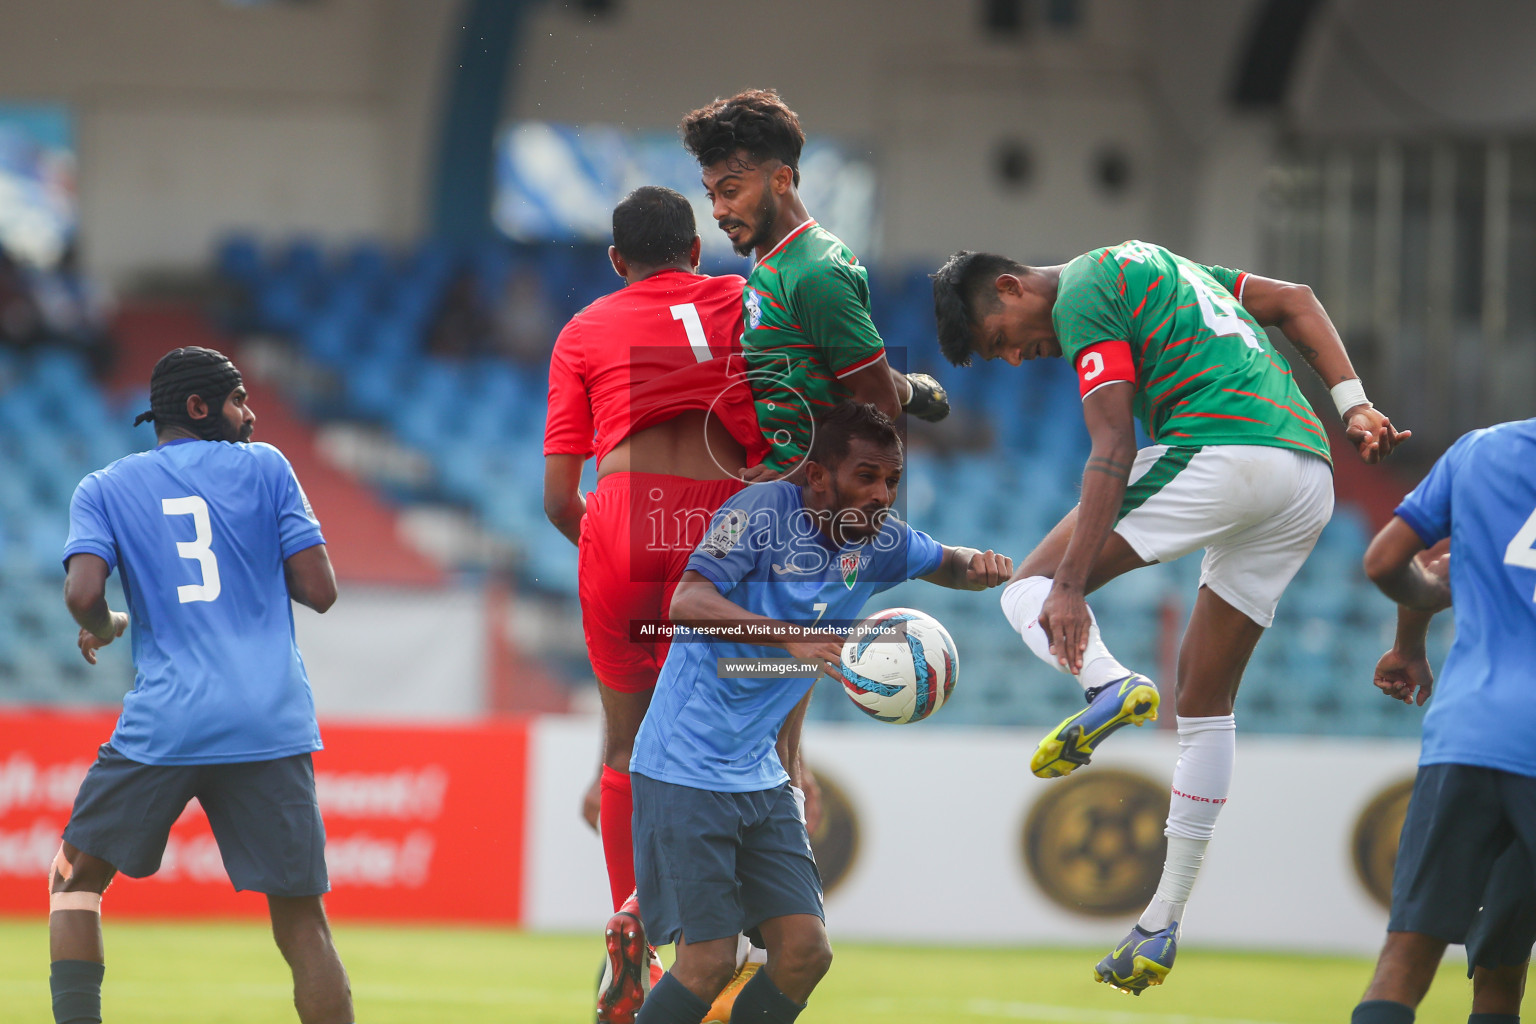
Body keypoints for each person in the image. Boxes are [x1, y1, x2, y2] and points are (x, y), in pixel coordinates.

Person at [930, 241, 1409, 993]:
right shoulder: (1161, 264)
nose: (1019, 359)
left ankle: (1109, 684)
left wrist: (1073, 584)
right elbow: (1295, 299)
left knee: (1027, 588)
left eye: (1003, 342)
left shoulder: (1084, 290)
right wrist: (1355, 404)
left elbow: (1114, 443)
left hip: (1227, 451)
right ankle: (1160, 922)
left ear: (1013, 287)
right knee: (1205, 703)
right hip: (1307, 474)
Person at [628, 402, 1011, 1024]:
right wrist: (789, 639)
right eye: (867, 476)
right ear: (817, 477)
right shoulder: (757, 514)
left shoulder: (881, 542)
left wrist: (984, 567)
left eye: (892, 480)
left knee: (806, 952)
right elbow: (685, 600)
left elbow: (950, 563)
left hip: (759, 777)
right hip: (684, 769)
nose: (883, 494)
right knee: (708, 963)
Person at [53, 346, 352, 1024]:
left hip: (169, 721)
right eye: (239, 399)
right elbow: (321, 590)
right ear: (198, 406)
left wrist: (107, 624)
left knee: (73, 885)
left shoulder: (103, 487)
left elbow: (81, 595)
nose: (249, 414)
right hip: (269, 724)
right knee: (304, 923)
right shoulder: (269, 467)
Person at [542, 185, 775, 1023]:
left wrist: (614, 553)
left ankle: (629, 921)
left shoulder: (584, 328)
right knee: (733, 741)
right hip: (721, 526)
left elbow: (558, 498)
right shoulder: (746, 298)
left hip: (621, 529)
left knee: (624, 747)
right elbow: (783, 442)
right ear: (697, 250)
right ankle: (706, 941)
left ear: (616, 262)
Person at [1350, 416, 1536, 1024]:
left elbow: (1390, 563)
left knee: (1405, 960)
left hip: (1469, 734)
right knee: (1504, 977)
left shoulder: (1482, 450)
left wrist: (1412, 636)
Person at [680, 88, 950, 483]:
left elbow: (878, 402)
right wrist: (913, 392)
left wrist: (787, 479)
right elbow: (825, 366)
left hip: (814, 515)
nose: (719, 211)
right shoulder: (772, 266)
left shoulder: (813, 271)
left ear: (781, 179)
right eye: (713, 195)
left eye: (731, 192)